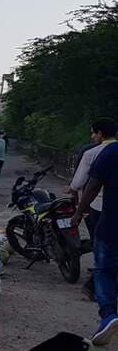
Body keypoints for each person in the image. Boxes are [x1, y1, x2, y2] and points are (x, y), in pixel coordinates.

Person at [71, 140, 118, 345]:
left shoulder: (111, 151)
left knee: (104, 270)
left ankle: (108, 315)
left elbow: (92, 185)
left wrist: (79, 212)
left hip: (111, 225)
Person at [69, 118, 117, 301]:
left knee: (102, 246)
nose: (92, 136)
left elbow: (83, 183)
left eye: (93, 133)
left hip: (97, 206)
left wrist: (78, 209)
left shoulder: (92, 152)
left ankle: (95, 286)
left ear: (100, 133)